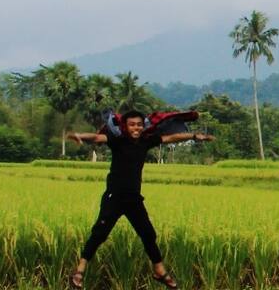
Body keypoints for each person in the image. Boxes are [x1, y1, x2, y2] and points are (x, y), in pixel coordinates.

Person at [65, 111, 216, 289]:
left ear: (142, 126)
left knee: (148, 234)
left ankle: (159, 271)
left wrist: (194, 136)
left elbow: (170, 138)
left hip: (134, 200)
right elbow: (98, 138)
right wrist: (80, 136)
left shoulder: (146, 141)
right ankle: (79, 270)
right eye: (132, 125)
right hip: (114, 197)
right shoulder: (118, 141)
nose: (136, 128)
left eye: (139, 124)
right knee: (99, 234)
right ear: (125, 126)